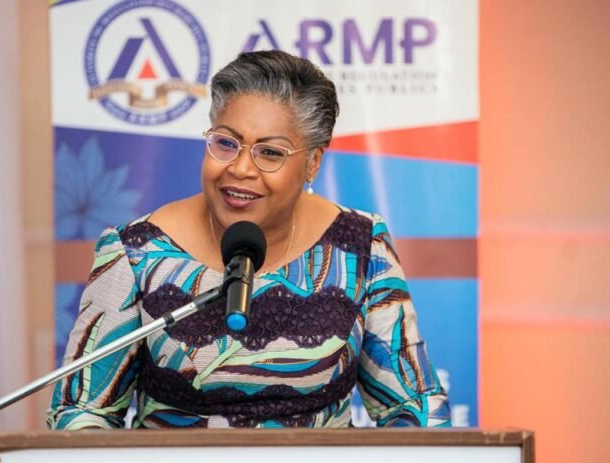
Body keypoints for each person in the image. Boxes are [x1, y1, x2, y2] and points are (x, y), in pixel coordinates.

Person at [47, 50, 450, 429]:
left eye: (270, 153)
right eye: (226, 143)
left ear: (312, 162)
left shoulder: (360, 245)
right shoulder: (136, 253)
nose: (241, 168)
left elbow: (414, 404)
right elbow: (81, 412)